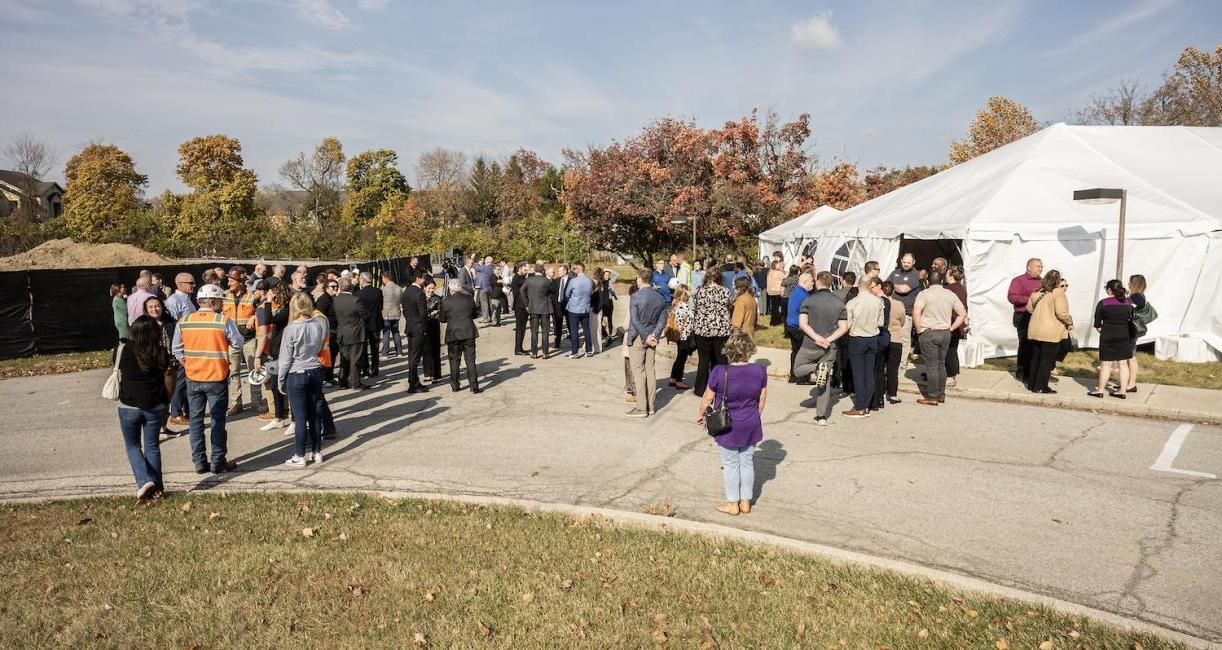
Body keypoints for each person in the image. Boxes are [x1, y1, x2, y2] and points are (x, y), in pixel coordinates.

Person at [172, 283, 244, 474]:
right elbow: (238, 342)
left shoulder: (185, 321)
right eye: (220, 301)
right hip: (216, 378)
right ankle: (218, 461)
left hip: (193, 377)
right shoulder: (222, 321)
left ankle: (199, 462)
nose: (221, 304)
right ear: (212, 302)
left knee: (195, 422)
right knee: (217, 422)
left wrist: (187, 362)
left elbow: (176, 349)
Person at [695, 331, 767, 517]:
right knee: (747, 463)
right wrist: (753, 415)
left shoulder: (720, 372)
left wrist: (701, 414)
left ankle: (732, 504)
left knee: (730, 464)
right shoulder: (759, 371)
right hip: (751, 423)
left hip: (728, 425)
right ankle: (745, 501)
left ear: (729, 350)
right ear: (750, 350)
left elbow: (707, 397)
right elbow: (762, 398)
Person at [116, 316, 175, 500]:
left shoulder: (124, 350)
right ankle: (158, 489)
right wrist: (167, 401)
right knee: (152, 446)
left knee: (133, 446)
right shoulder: (161, 352)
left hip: (129, 405)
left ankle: (144, 481)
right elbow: (169, 376)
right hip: (155, 405)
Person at [278, 292, 326, 467]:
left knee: (300, 417)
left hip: (296, 373)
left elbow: (285, 358)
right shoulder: (317, 325)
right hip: (314, 370)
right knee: (315, 415)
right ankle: (317, 451)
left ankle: (299, 455)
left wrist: (280, 380)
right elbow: (319, 346)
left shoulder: (290, 329)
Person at [794, 272, 848, 426]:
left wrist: (817, 338)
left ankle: (817, 368)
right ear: (831, 283)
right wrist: (827, 340)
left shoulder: (808, 300)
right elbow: (843, 328)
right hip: (829, 346)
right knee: (825, 380)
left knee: (798, 369)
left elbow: (802, 324)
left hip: (810, 344)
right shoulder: (839, 303)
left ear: (818, 282)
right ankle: (821, 416)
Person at [912, 270, 967, 406]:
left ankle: (932, 396)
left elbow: (916, 312)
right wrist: (952, 328)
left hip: (929, 331)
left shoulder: (924, 294)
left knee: (931, 365)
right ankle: (940, 394)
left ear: (927, 282)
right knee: (941, 364)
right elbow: (963, 313)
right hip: (945, 332)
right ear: (942, 281)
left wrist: (919, 330)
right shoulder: (950, 294)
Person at [625, 269, 668, 417]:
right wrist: (654, 335)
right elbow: (662, 320)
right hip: (652, 336)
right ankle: (651, 406)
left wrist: (645, 336)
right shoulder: (660, 298)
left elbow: (635, 320)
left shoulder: (635, 296)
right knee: (650, 370)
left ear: (640, 279)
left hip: (639, 336)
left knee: (638, 371)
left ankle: (642, 407)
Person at [842, 277, 885, 418]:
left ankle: (860, 406)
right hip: (872, 338)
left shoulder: (853, 303)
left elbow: (847, 325)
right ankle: (866, 405)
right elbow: (880, 322)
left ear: (859, 286)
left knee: (858, 374)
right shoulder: (878, 302)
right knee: (869, 372)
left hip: (857, 338)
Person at [222, 266, 262, 415]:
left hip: (249, 340)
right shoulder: (224, 295)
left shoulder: (253, 296)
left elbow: (263, 310)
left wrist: (254, 317)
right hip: (232, 341)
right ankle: (236, 404)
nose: (228, 283)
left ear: (241, 281)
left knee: (254, 371)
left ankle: (256, 402)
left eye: (231, 280)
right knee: (233, 373)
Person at [1026, 270, 1072, 394]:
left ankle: (1032, 384)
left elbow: (1029, 309)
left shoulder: (1037, 292)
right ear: (1058, 281)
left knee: (1036, 357)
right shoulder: (1058, 293)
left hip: (1035, 329)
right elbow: (1062, 313)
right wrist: (1069, 322)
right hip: (1050, 331)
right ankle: (1041, 387)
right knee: (1046, 359)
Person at [254, 283, 292, 432]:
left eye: (270, 292)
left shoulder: (287, 309)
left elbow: (269, 319)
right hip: (277, 353)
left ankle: (294, 420)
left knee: (286, 387)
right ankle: (278, 418)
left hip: (284, 354)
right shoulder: (283, 308)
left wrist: (268, 301)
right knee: (276, 387)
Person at [1090, 279, 1135, 399]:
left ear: (1109, 290)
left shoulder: (1103, 303)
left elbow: (1097, 324)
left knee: (1106, 364)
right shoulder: (1128, 302)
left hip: (1108, 335)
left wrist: (1103, 330)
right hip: (1124, 335)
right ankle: (1122, 391)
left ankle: (1100, 390)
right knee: (1123, 363)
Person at [142, 295, 180, 436]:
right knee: (154, 398)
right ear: (146, 309)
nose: (154, 309)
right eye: (150, 307)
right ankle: (153, 429)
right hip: (152, 366)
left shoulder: (171, 322)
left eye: (157, 306)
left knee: (167, 397)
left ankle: (163, 427)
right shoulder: (143, 324)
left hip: (170, 365)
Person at [691, 270, 734, 396]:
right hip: (721, 329)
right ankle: (721, 388)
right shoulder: (725, 291)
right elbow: (730, 307)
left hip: (703, 329)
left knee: (704, 360)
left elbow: (695, 307)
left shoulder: (699, 291)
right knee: (721, 360)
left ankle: (700, 389)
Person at [439, 279, 482, 393]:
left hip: (453, 333)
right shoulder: (468, 299)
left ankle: (455, 385)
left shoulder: (445, 301)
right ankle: (474, 386)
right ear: (460, 287)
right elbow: (475, 314)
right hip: (468, 332)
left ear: (450, 288)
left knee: (454, 360)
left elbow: (442, 319)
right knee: (470, 360)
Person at [1007, 258, 1044, 383]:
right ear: (1029, 267)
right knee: (1025, 344)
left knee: (1038, 345)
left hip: (1039, 317)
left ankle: (1036, 371)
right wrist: (1031, 299)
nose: (1040, 268)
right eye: (1038, 266)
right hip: (1023, 316)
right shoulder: (1018, 280)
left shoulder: (1043, 282)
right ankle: (1022, 370)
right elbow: (1012, 297)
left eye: (1041, 266)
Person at [332, 277, 369, 391]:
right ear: (351, 287)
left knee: (344, 358)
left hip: (342, 332)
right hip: (355, 334)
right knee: (355, 359)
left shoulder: (336, 300)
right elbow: (365, 315)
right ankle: (355, 382)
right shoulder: (355, 300)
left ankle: (343, 381)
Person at [399, 271, 430, 393]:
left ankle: (413, 381)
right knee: (415, 358)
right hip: (418, 328)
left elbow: (405, 311)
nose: (425, 280)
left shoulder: (406, 291)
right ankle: (414, 383)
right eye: (424, 278)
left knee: (412, 356)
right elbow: (423, 314)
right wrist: (424, 328)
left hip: (410, 326)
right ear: (418, 278)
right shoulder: (419, 293)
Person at [1124, 274, 1152, 393]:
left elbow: (1133, 306)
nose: (1128, 284)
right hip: (1132, 330)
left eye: (1130, 282)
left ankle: (1131, 384)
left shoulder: (1137, 297)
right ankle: (1127, 382)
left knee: (1131, 357)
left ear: (1134, 283)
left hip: (1131, 330)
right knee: (1128, 357)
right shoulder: (1138, 296)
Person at [784, 272, 814, 383]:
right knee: (803, 352)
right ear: (805, 282)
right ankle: (802, 377)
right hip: (799, 327)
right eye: (811, 281)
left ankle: (794, 375)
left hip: (791, 325)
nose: (813, 283)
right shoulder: (804, 295)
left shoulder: (795, 291)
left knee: (795, 351)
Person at [881, 282, 907, 405]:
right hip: (896, 337)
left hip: (881, 337)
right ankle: (893, 394)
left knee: (879, 367)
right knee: (893, 368)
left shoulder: (878, 303)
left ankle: (879, 392)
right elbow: (903, 320)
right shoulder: (899, 304)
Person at [665, 284, 695, 391]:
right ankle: (679, 381)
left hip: (678, 334)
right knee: (682, 358)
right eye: (686, 292)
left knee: (679, 357)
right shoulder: (684, 306)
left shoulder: (675, 304)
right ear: (683, 293)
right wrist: (692, 297)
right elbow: (694, 316)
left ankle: (673, 378)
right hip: (684, 335)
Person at [944, 267, 969, 388]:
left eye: (947, 274)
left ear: (951, 276)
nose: (945, 276)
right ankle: (950, 374)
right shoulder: (962, 288)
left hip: (952, 322)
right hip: (959, 323)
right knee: (952, 349)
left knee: (949, 351)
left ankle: (950, 376)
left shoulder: (949, 289)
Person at [355, 272, 384, 377]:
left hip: (363, 324)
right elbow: (381, 307)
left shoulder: (358, 294)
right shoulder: (378, 292)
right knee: (375, 348)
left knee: (363, 348)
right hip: (375, 322)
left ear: (362, 280)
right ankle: (375, 368)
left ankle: (365, 368)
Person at [564, 263, 595, 358]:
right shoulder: (589, 281)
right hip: (585, 308)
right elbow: (591, 292)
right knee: (586, 330)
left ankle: (575, 352)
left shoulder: (573, 281)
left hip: (574, 308)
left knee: (574, 331)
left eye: (574, 269)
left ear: (578, 270)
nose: (573, 271)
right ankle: (589, 350)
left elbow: (567, 293)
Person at [523, 263, 553, 359]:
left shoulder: (529, 280)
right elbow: (552, 291)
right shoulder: (547, 281)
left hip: (533, 307)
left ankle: (534, 352)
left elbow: (521, 290)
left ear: (535, 270)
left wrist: (526, 302)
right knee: (545, 331)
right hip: (545, 307)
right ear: (543, 270)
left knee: (534, 331)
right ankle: (545, 352)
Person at [315, 279, 340, 384]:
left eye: (336, 287)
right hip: (328, 331)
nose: (335, 289)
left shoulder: (334, 298)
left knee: (333, 355)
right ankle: (325, 377)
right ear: (326, 288)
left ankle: (329, 376)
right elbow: (320, 316)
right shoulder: (323, 299)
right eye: (332, 287)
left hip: (335, 330)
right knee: (327, 354)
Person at [422, 281, 443, 382]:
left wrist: (432, 313)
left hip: (434, 326)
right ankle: (427, 373)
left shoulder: (438, 298)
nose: (431, 290)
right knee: (426, 350)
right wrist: (432, 313)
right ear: (425, 288)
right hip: (424, 326)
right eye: (429, 288)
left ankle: (436, 374)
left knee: (435, 350)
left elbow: (440, 313)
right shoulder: (421, 298)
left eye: (433, 288)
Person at [380, 271, 404, 357]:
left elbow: (380, 300)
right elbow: (401, 300)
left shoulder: (383, 289)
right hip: (396, 313)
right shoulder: (398, 288)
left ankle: (385, 352)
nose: (382, 280)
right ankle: (399, 351)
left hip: (386, 313)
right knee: (396, 332)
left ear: (386, 278)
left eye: (382, 278)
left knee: (386, 333)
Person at [511, 263, 529, 356]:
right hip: (519, 306)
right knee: (520, 328)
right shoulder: (518, 278)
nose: (527, 272)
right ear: (520, 269)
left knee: (522, 328)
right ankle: (518, 349)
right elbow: (527, 283)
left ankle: (519, 347)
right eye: (525, 270)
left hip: (522, 306)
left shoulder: (521, 278)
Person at [599, 268, 619, 348]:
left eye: (608, 275)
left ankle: (609, 335)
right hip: (602, 303)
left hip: (609, 302)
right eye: (605, 275)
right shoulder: (600, 282)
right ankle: (605, 334)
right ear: (602, 275)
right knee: (600, 320)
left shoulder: (610, 281)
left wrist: (609, 270)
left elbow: (617, 275)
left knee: (609, 319)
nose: (607, 276)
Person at [766, 260, 786, 326]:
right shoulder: (779, 273)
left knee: (774, 307)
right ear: (775, 265)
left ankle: (773, 321)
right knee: (776, 307)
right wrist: (782, 270)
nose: (780, 265)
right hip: (777, 291)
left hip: (771, 291)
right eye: (778, 264)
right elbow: (785, 277)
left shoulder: (770, 272)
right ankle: (775, 321)